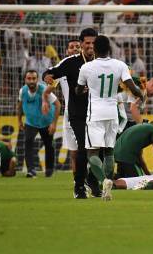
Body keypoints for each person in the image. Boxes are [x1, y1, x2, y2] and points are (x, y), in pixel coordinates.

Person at [76, 35, 144, 201]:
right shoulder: (120, 65)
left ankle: (104, 181)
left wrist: (84, 90)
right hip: (112, 113)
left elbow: (78, 90)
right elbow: (132, 87)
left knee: (92, 152)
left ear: (95, 49)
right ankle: (107, 182)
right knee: (109, 151)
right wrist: (141, 95)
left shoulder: (87, 67)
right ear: (109, 49)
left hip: (95, 114)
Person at [43, 28, 101, 199]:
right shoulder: (71, 62)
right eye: (87, 43)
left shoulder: (103, 62)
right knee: (82, 150)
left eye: (93, 43)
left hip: (98, 113)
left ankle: (92, 179)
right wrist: (46, 76)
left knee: (104, 150)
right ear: (82, 44)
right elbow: (51, 72)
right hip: (77, 114)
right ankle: (79, 187)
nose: (90, 46)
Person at [43, 39, 81, 175]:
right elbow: (47, 90)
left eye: (78, 46)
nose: (75, 49)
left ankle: (91, 181)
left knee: (89, 151)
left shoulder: (88, 66)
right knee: (74, 153)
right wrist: (44, 101)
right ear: (67, 51)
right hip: (70, 114)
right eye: (72, 47)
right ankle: (78, 182)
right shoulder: (62, 69)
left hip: (88, 113)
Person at [17, 70, 60, 178]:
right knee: (27, 143)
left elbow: (58, 104)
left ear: (37, 79)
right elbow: (20, 105)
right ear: (25, 80)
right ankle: (31, 170)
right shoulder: (23, 91)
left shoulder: (44, 90)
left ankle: (49, 170)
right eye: (29, 78)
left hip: (46, 122)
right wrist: (19, 120)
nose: (31, 81)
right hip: (30, 122)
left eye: (34, 78)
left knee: (49, 145)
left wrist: (54, 124)